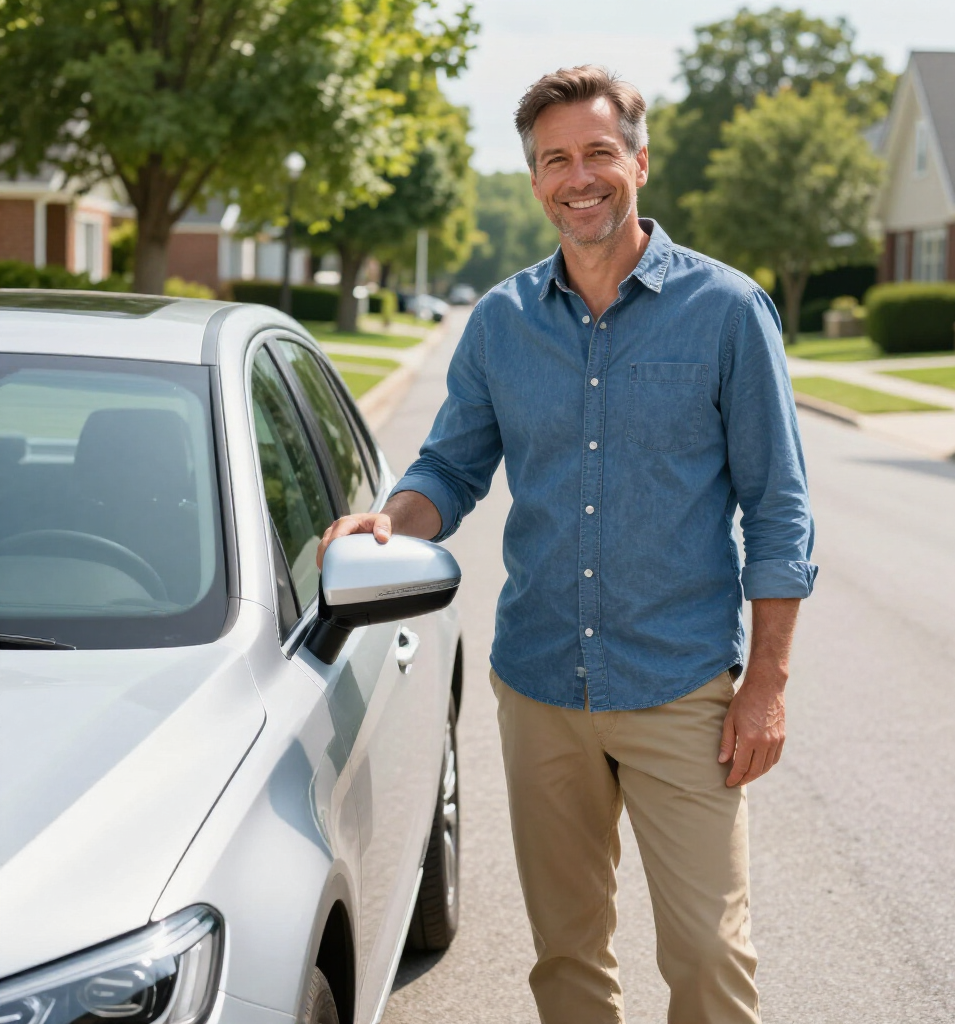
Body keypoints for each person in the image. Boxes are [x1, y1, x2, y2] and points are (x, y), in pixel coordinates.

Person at [318, 65, 816, 1024]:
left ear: (638, 161)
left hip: (682, 689)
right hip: (542, 686)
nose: (577, 177)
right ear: (535, 179)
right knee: (567, 959)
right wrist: (392, 519)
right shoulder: (501, 322)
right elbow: (450, 469)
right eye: (555, 160)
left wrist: (767, 685)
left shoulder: (726, 312)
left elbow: (779, 510)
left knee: (711, 956)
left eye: (597, 153)